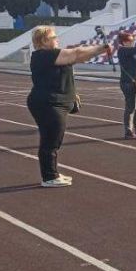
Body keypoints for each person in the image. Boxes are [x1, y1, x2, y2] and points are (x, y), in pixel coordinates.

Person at [26, 25, 111, 187]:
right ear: (43, 41)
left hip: (56, 102)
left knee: (53, 139)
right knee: (51, 140)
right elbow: (76, 53)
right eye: (53, 37)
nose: (57, 39)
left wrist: (99, 51)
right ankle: (49, 177)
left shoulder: (53, 56)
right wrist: (101, 47)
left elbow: (78, 58)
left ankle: (52, 173)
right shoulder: (43, 56)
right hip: (48, 103)